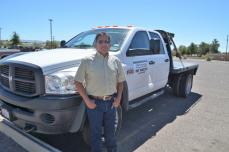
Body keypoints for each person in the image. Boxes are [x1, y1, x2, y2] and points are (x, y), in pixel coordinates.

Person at [75, 32, 126, 152]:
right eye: (101, 41)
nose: (104, 44)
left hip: (111, 103)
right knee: (95, 135)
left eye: (106, 41)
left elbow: (120, 82)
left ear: (110, 44)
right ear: (95, 44)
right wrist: (87, 101)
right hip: (94, 104)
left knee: (111, 134)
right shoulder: (86, 61)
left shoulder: (115, 61)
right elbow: (77, 82)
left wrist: (118, 98)